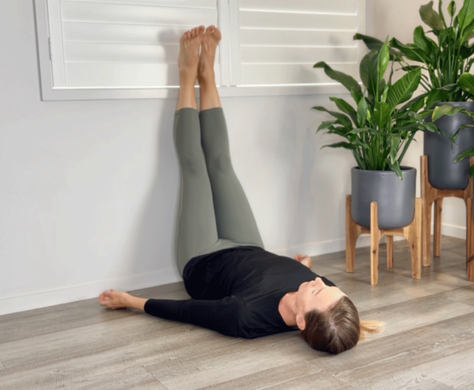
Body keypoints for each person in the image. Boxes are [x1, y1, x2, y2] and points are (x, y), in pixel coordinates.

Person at [99, 25, 382, 354]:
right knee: (220, 162)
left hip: (202, 260)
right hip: (249, 246)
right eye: (329, 286)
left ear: (301, 321)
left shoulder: (244, 317)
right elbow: (312, 286)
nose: (322, 281)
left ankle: (187, 73)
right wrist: (303, 271)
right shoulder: (324, 295)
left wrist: (129, 301)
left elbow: (187, 312)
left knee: (195, 167)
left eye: (318, 290)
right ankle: (208, 75)